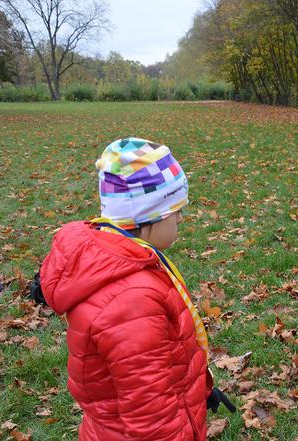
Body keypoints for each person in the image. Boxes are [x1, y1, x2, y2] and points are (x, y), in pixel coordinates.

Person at [39, 138, 218, 440]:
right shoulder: (131, 301)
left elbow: (156, 371)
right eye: (175, 211)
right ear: (147, 215)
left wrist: (197, 388)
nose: (181, 219)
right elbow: (152, 420)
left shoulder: (126, 259)